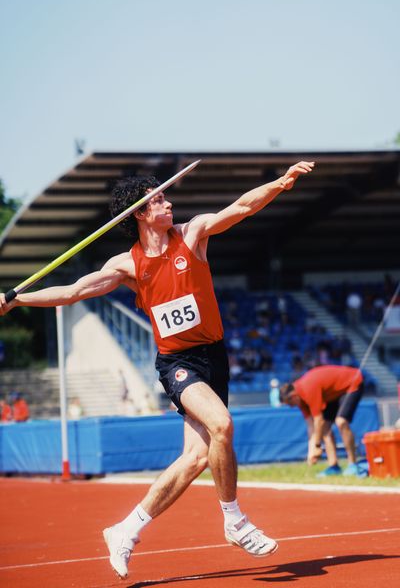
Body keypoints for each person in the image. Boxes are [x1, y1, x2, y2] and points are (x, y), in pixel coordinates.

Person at [0, 160, 314, 579]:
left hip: (213, 357)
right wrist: (18, 300)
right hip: (178, 363)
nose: (169, 204)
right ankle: (235, 521)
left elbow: (241, 208)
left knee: (195, 458)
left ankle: (125, 530)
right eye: (160, 200)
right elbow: (73, 291)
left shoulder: (193, 234)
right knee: (221, 426)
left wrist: (282, 182)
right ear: (141, 214)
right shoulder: (127, 265)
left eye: (166, 196)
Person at [279, 364, 364, 477]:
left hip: (352, 382)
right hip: (333, 394)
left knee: (341, 421)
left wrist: (318, 446)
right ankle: (333, 466)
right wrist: (311, 451)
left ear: (293, 396)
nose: (291, 407)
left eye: (290, 404)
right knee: (325, 429)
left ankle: (352, 464)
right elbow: (311, 426)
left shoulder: (307, 389)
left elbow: (318, 420)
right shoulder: (300, 400)